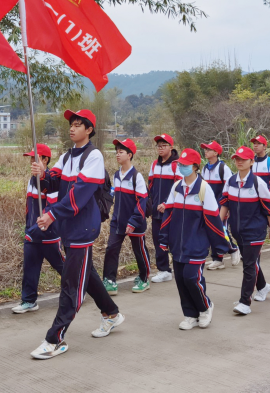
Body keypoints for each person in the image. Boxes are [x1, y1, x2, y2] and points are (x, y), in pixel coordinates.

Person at [30, 110, 123, 359]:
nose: (73, 128)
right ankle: (112, 312)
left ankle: (55, 339)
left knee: (72, 284)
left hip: (82, 228)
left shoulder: (93, 156)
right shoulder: (67, 156)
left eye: (78, 124)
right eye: (72, 124)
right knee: (87, 273)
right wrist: (43, 174)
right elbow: (55, 180)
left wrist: (51, 214)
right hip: (68, 228)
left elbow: (78, 195)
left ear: (89, 130)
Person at [159, 148, 229, 329]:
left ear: (195, 166)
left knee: (192, 278)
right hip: (178, 243)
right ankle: (190, 314)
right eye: (179, 164)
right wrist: (164, 238)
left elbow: (214, 220)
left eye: (185, 165)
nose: (181, 167)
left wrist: (220, 245)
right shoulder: (176, 187)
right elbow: (168, 214)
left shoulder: (204, 189)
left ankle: (205, 308)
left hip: (197, 243)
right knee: (181, 280)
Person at [220, 146, 270, 315]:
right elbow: (225, 204)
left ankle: (245, 302)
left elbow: (269, 208)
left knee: (249, 265)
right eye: (237, 158)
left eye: (243, 159)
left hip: (255, 231)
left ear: (252, 162)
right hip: (238, 231)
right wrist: (218, 225)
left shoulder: (258, 183)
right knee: (250, 262)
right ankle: (263, 286)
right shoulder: (230, 181)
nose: (239, 161)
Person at [13, 144, 65, 314]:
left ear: (45, 160)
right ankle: (29, 300)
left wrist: (35, 230)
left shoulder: (51, 181)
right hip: (32, 234)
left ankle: (78, 287)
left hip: (48, 234)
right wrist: (29, 228)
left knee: (62, 266)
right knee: (30, 267)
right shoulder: (31, 180)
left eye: (35, 159)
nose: (31, 162)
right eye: (30, 159)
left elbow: (51, 209)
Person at [102, 138, 151, 295]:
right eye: (116, 152)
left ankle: (144, 278)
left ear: (129, 155)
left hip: (134, 222)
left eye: (121, 152)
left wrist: (133, 221)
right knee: (111, 248)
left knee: (139, 251)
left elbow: (142, 202)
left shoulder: (137, 177)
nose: (117, 154)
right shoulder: (116, 175)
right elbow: (113, 196)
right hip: (117, 221)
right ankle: (109, 281)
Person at [200, 140, 241, 270]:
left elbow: (229, 188)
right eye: (205, 149)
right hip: (208, 207)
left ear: (216, 153)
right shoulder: (205, 168)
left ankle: (233, 249)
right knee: (211, 232)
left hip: (221, 206)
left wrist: (227, 206)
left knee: (221, 230)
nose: (205, 151)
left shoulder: (223, 168)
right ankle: (218, 259)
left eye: (208, 149)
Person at [148, 134, 182, 283]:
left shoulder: (177, 165)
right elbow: (150, 186)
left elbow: (180, 188)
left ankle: (180, 267)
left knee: (174, 240)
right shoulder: (155, 164)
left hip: (172, 211)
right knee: (158, 240)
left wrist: (168, 204)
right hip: (156, 211)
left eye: (164, 145)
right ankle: (164, 270)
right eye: (159, 145)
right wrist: (150, 204)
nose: (160, 148)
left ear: (171, 147)